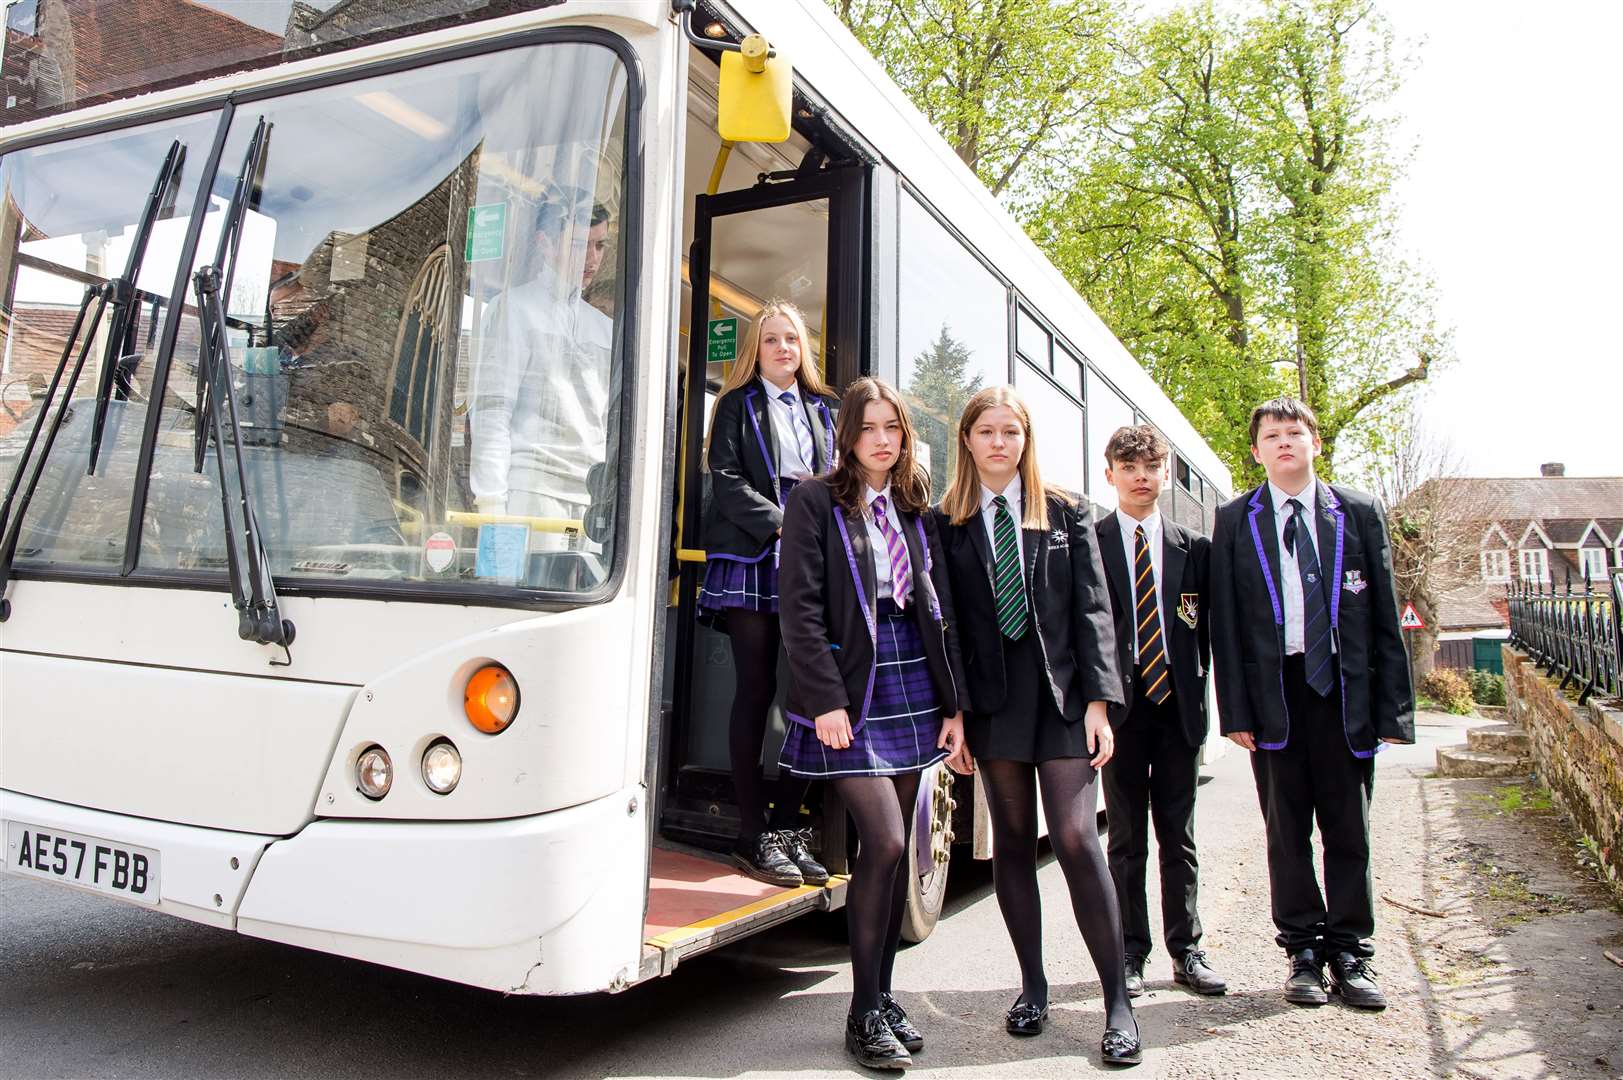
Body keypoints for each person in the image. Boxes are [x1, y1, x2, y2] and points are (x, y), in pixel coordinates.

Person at [934, 386, 1140, 1066]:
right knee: (1012, 845)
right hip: (993, 706)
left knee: (1078, 839)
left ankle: (1116, 1003)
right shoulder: (949, 522)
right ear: (966, 441)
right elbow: (951, 628)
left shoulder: (1064, 512)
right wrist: (955, 713)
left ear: (1025, 440)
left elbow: (1094, 612)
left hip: (1061, 701)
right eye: (986, 431)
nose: (999, 443)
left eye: (1010, 432)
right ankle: (1032, 989)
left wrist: (1099, 704)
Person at [776, 377, 969, 1070]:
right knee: (884, 844)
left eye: (893, 427)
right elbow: (796, 608)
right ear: (847, 435)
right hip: (850, 686)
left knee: (898, 852)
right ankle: (861, 1015)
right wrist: (823, 698)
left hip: (912, 676)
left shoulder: (917, 509)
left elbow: (937, 611)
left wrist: (954, 707)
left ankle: (881, 996)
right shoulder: (812, 501)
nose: (882, 439)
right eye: (868, 428)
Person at [1210, 396, 1415, 1010]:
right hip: (1276, 695)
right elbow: (1226, 623)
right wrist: (1236, 713)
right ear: (1257, 452)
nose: (1283, 443)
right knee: (1287, 828)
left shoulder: (1357, 510)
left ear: (1315, 443)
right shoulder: (1234, 519)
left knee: (1348, 827)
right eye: (1270, 436)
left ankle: (1351, 952)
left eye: (1294, 433)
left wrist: (1394, 710)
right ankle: (1302, 949)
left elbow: (1385, 611)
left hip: (1343, 694)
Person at [697, 300, 838, 887]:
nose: (783, 349)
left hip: (813, 554)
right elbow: (725, 479)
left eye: (792, 339)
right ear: (756, 349)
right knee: (756, 690)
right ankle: (751, 833)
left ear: (804, 348)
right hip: (757, 550)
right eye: (772, 339)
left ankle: (786, 826)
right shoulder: (736, 404)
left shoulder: (829, 409)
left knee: (809, 691)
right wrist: (782, 520)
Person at [1095, 424, 1225, 999]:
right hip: (1120, 715)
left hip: (1177, 712)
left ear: (1165, 474)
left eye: (1151, 467)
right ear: (1111, 475)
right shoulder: (1089, 541)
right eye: (1129, 468)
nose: (1141, 477)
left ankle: (1187, 948)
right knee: (1125, 840)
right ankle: (1129, 949)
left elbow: (1210, 632)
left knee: (1180, 836)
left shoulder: (1193, 549)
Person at [469, 198, 614, 552]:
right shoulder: (513, 308)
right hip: (532, 490)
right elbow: (491, 409)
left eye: (599, 245)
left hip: (591, 498)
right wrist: (490, 505)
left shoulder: (605, 328)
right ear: (544, 243)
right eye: (578, 244)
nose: (592, 259)